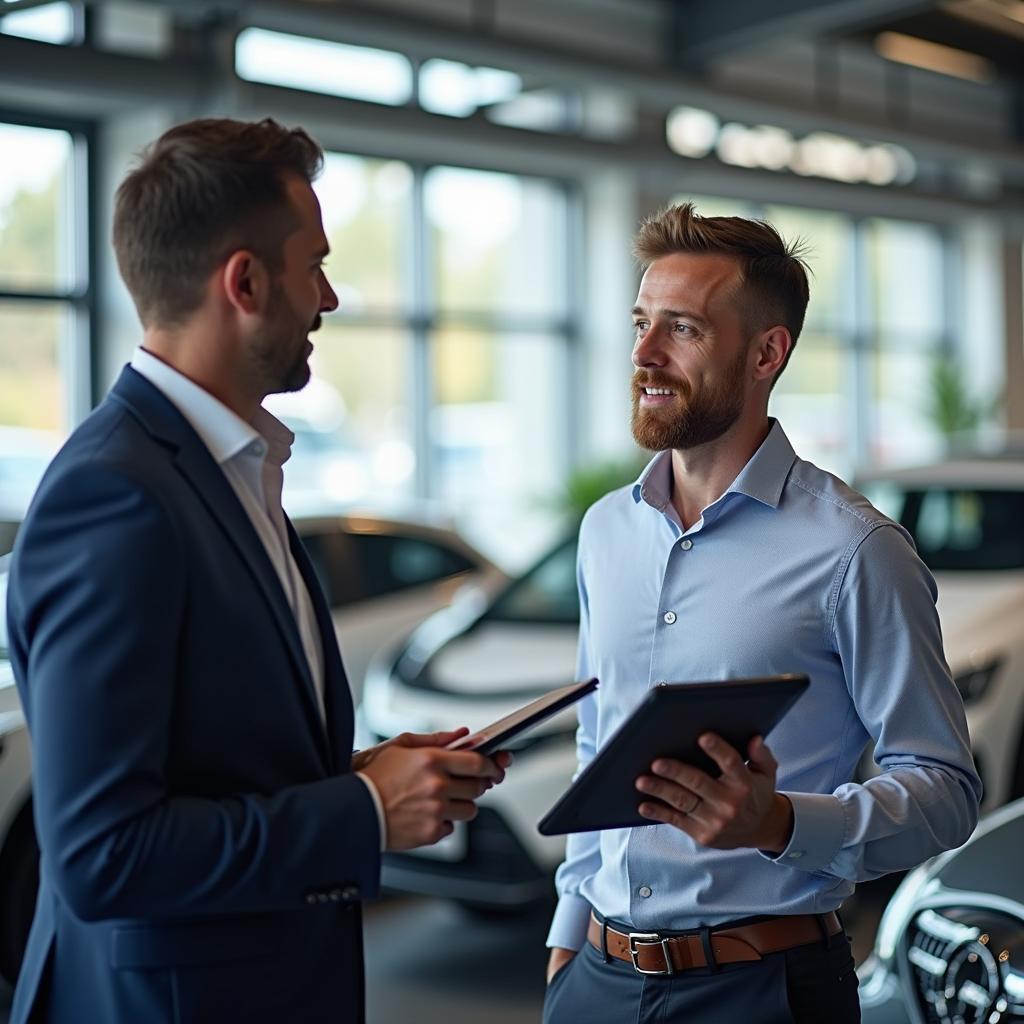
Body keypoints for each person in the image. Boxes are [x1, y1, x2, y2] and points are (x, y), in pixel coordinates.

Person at [5, 117, 509, 1024]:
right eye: (313, 264)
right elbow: (101, 854)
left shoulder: (231, 471)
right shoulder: (115, 496)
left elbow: (212, 760)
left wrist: (366, 773)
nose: (329, 297)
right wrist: (360, 811)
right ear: (244, 281)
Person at [543, 203, 982, 1023]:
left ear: (766, 352)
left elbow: (946, 792)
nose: (643, 354)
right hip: (595, 978)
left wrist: (779, 820)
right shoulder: (607, 530)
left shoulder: (855, 550)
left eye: (682, 329)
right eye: (641, 323)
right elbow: (596, 743)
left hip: (761, 988)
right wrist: (568, 942)